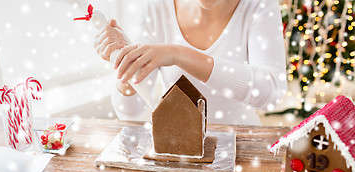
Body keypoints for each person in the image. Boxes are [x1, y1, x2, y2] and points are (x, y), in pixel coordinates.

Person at [94, 0, 287, 125]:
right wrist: (124, 62)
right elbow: (131, 112)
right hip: (177, 151)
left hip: (243, 147)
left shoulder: (260, 6)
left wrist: (178, 54)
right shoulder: (157, 8)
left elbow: (271, 93)